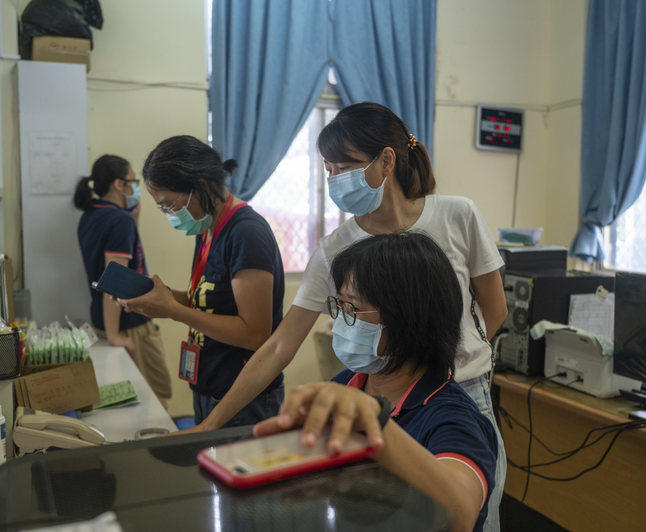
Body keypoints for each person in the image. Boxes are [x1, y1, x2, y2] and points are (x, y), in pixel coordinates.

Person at [180, 102, 508, 530]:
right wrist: (211, 424)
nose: (334, 179)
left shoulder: (457, 215)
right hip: (383, 392)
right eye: (328, 169)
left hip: (457, 391)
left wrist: (437, 364)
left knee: (465, 513)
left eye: (344, 167)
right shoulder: (337, 249)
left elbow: (493, 310)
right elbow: (279, 345)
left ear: (386, 160)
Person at [254, 232, 497, 532]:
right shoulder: (346, 383)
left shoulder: (453, 419)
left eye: (353, 308)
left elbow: (459, 514)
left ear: (408, 319)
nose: (339, 321)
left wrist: (373, 422)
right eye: (339, 305)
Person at [116, 135, 285, 426]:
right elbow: (208, 301)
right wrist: (158, 296)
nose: (168, 214)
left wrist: (173, 311)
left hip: (245, 395)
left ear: (201, 187)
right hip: (210, 385)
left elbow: (255, 333)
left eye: (168, 204)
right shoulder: (207, 227)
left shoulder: (246, 233)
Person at [74, 154, 172, 408]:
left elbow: (119, 259)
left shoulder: (91, 216)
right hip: (129, 323)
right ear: (119, 185)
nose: (136, 187)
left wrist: (133, 219)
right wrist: (116, 335)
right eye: (133, 180)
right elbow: (113, 281)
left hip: (103, 320)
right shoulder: (119, 221)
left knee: (124, 402)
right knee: (154, 400)